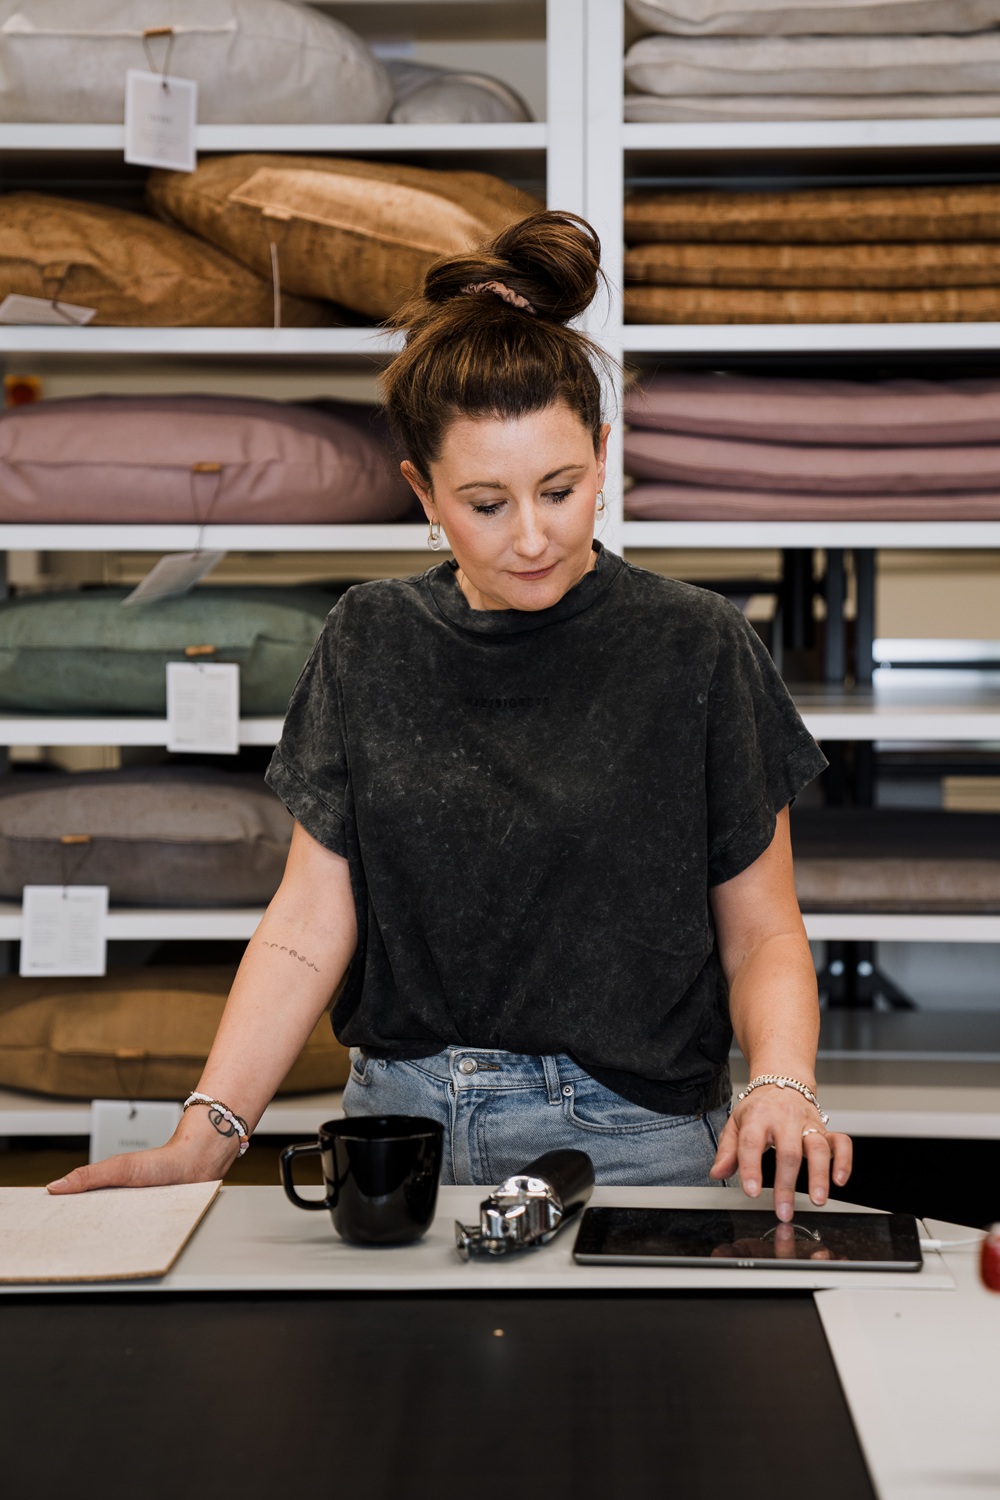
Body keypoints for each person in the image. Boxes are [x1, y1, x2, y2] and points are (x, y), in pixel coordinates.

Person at [48, 210, 852, 1223]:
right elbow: (307, 923)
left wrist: (782, 1080)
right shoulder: (370, 638)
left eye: (560, 489)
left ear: (603, 458)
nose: (531, 536)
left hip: (634, 1144)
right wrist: (205, 1133)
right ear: (421, 491)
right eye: (485, 502)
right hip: (399, 1128)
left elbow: (764, 931)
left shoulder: (695, 646)